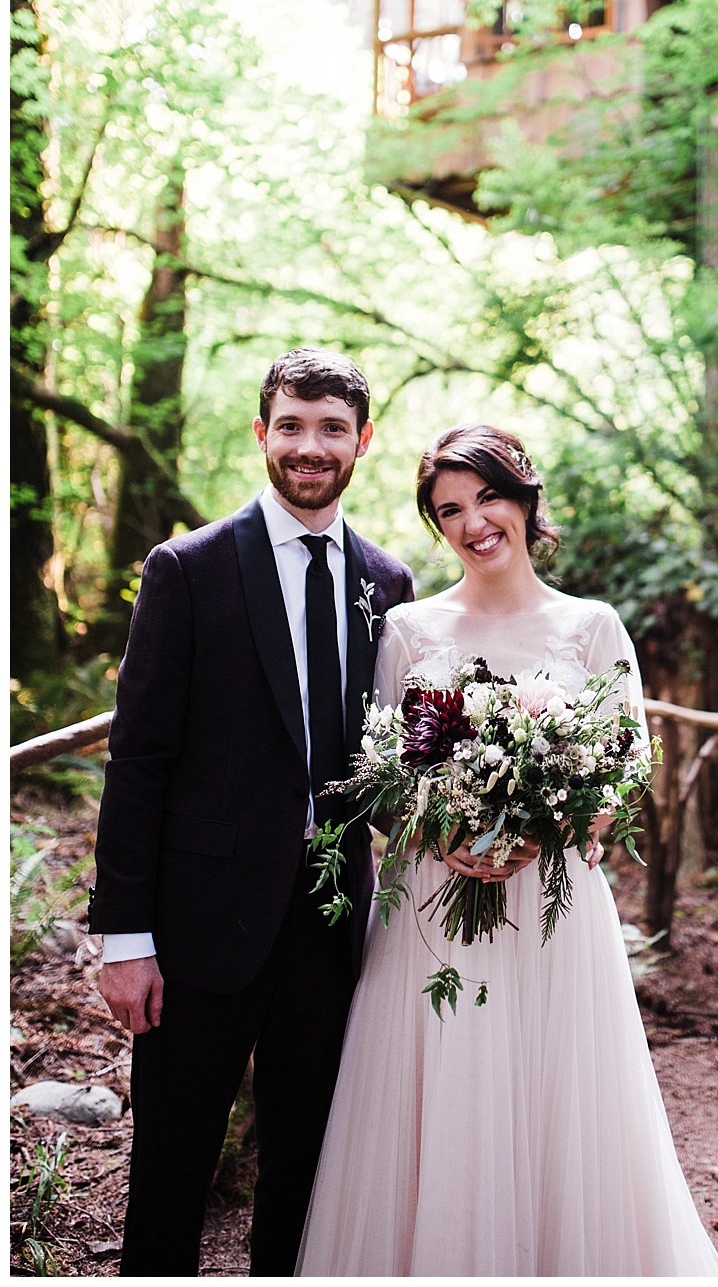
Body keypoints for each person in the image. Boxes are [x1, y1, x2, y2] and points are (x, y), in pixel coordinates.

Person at [297, 425, 718, 1276]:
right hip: (434, 907)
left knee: (559, 1100)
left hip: (552, 909)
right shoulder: (411, 630)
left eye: (487, 497)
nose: (473, 523)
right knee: (444, 1095)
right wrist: (446, 832)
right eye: (449, 510)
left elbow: (624, 763)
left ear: (525, 499)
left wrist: (553, 828)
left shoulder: (591, 626)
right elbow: (379, 774)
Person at [88, 347, 414, 1277]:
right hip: (198, 933)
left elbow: (394, 764)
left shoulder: (387, 587)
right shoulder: (186, 569)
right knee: (172, 1169)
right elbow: (138, 761)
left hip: (329, 926)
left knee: (307, 1171)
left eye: (332, 430)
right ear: (263, 432)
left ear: (362, 442)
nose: (310, 448)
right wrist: (125, 941)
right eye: (292, 426)